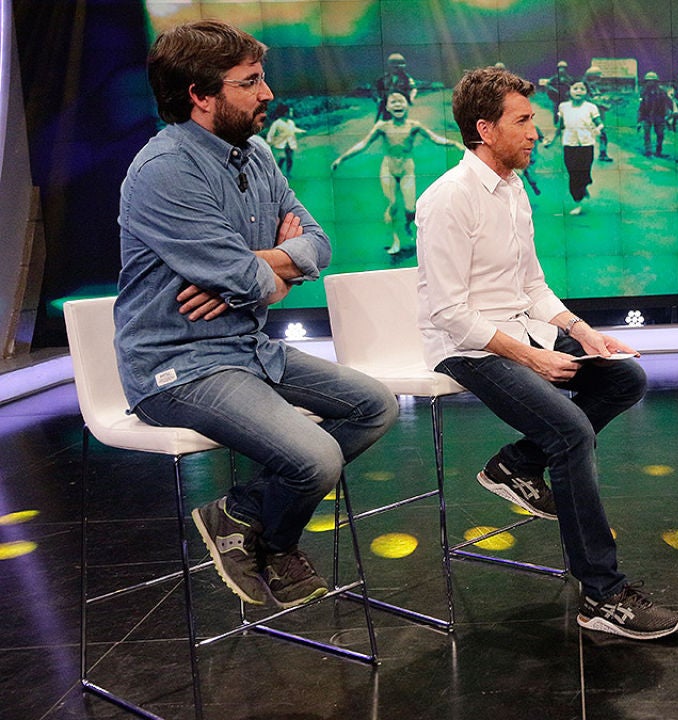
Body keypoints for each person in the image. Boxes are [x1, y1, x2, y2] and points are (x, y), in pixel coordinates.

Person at [114, 20, 399, 609]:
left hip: (247, 349)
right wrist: (266, 274)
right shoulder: (164, 170)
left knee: (376, 406)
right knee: (315, 458)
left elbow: (317, 244)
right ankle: (275, 540)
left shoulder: (259, 153)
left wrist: (254, 272)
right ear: (199, 94)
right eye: (249, 83)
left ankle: (240, 515)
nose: (267, 93)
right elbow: (253, 281)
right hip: (178, 366)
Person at [416, 66, 678, 640]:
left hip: (521, 329)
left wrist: (583, 332)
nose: (536, 132)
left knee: (624, 378)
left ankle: (516, 464)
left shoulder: (514, 190)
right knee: (571, 432)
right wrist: (531, 358)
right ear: (485, 129)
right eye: (523, 121)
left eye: (533, 120)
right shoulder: (448, 199)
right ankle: (603, 595)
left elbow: (532, 286)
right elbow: (449, 313)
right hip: (468, 347)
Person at [331, 91, 464, 256]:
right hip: (388, 168)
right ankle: (395, 239)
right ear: (387, 107)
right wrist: (341, 159)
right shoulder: (382, 126)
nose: (397, 104)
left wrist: (455, 144)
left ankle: (408, 224)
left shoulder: (414, 125)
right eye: (393, 102)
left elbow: (435, 138)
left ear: (407, 105)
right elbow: (363, 144)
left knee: (410, 208)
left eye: (401, 101)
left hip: (407, 168)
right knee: (392, 204)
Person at [543, 81, 602, 216]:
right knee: (573, 173)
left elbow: (600, 124)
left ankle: (584, 185)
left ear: (586, 92)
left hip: (586, 145)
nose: (578, 91)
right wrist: (551, 140)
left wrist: (598, 129)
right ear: (569, 91)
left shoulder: (591, 107)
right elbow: (560, 126)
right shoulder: (563, 107)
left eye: (582, 89)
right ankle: (578, 201)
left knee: (584, 172)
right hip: (569, 144)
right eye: (575, 88)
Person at [581, 65, 614, 162]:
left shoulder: (594, 87)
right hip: (587, 116)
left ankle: (603, 154)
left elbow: (597, 99)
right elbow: (588, 101)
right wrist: (602, 104)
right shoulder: (583, 87)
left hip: (597, 115)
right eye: (597, 77)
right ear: (592, 77)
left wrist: (604, 101)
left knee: (603, 134)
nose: (599, 80)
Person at [637, 71, 673, 157]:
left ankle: (658, 151)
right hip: (646, 115)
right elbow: (641, 106)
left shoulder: (662, 92)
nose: (649, 83)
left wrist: (671, 113)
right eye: (648, 81)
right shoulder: (643, 92)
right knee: (647, 134)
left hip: (659, 115)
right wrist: (639, 120)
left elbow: (669, 102)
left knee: (660, 134)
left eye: (651, 81)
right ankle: (648, 151)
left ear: (655, 82)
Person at [264, 104, 305, 177]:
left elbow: (294, 129)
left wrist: (302, 131)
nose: (289, 113)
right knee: (282, 158)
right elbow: (270, 134)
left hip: (290, 143)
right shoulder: (277, 123)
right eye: (288, 112)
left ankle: (288, 173)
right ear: (284, 113)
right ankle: (277, 174)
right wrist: (268, 142)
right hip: (280, 144)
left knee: (290, 159)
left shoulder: (291, 122)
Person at [374, 52, 417, 120]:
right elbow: (375, 89)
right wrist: (378, 99)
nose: (397, 69)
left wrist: (411, 98)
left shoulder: (406, 78)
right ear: (390, 66)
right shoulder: (383, 78)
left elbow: (413, 88)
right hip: (387, 104)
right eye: (395, 67)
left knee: (400, 120)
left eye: (400, 67)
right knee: (386, 121)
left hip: (400, 103)